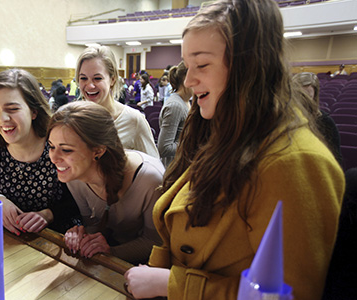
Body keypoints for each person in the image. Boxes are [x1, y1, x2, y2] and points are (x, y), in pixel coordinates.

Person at [124, 1, 344, 299]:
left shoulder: (297, 161)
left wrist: (171, 284)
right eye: (187, 66)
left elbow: (287, 294)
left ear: (249, 66)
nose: (188, 81)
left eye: (201, 65)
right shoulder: (222, 130)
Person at [48, 101, 164, 265]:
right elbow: (94, 225)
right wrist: (83, 236)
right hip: (108, 262)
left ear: (98, 151)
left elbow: (156, 243)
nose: (53, 158)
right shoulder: (73, 176)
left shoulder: (150, 180)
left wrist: (110, 252)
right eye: (51, 146)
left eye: (66, 149)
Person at [0, 69, 81, 235]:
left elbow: (79, 203)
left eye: (12, 109)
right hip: (8, 239)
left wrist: (48, 214)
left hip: (59, 239)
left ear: (34, 111)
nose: (2, 118)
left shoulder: (58, 144)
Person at [75, 46, 159, 158]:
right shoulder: (74, 120)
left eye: (98, 78)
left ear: (112, 79)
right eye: (83, 78)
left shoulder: (134, 120)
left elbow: (154, 169)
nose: (90, 85)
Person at [293, 72, 342, 164]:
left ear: (314, 97)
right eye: (299, 96)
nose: (303, 101)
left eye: (308, 97)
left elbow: (336, 159)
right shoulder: (283, 120)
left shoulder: (325, 121)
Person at [157, 62, 192, 167]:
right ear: (186, 79)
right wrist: (192, 143)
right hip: (174, 168)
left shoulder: (186, 101)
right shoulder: (175, 106)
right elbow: (164, 148)